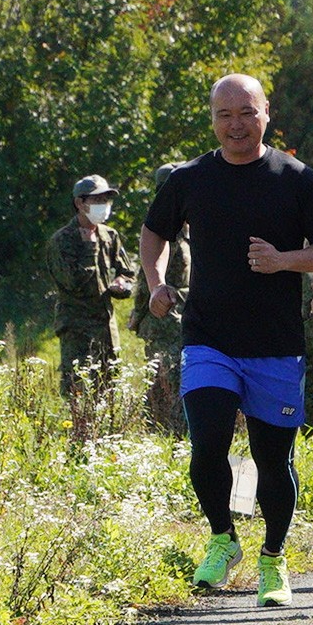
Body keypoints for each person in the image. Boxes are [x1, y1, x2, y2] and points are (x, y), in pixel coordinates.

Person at [142, 75, 313, 608]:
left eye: (246, 113)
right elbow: (153, 232)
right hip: (208, 337)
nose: (235, 124)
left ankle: (273, 559)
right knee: (207, 443)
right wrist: (156, 282)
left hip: (276, 343)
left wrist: (282, 261)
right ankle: (222, 538)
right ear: (212, 118)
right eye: (224, 114)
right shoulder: (189, 178)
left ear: (266, 113)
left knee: (272, 459)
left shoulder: (295, 177)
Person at [47, 174, 134, 402]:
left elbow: (127, 273)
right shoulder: (62, 240)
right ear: (79, 203)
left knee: (110, 388)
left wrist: (122, 284)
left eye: (106, 200)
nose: (103, 206)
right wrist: (89, 248)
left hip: (106, 326)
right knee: (78, 389)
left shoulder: (110, 235)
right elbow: (72, 283)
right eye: (96, 200)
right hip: (77, 327)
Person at [129, 163, 192, 433]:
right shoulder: (168, 232)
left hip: (179, 319)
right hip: (164, 320)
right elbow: (148, 282)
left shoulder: (187, 231)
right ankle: (167, 434)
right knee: (166, 380)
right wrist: (140, 312)